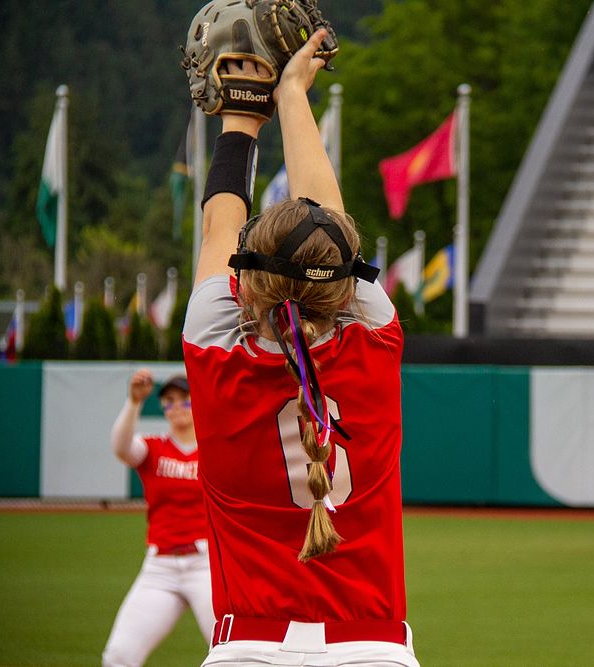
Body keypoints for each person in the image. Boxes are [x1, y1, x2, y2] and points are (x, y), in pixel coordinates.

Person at [182, 29, 419, 667]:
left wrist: (239, 116)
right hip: (372, 646)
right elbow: (328, 229)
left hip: (248, 646)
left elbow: (218, 223)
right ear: (341, 285)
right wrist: (290, 96)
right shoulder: (373, 337)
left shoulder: (215, 351)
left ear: (248, 288)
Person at [102, 370, 214, 667]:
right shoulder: (153, 447)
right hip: (159, 567)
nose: (176, 407)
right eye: (169, 402)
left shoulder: (215, 450)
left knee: (229, 652)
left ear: (198, 403)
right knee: (119, 656)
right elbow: (121, 448)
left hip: (208, 566)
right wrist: (134, 402)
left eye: (184, 401)